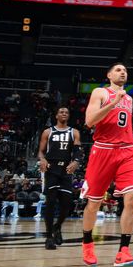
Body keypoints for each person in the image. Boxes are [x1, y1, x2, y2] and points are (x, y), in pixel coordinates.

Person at [81, 63, 133, 267]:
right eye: (118, 70)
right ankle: (87, 243)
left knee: (132, 198)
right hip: (103, 150)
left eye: (125, 71)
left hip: (127, 151)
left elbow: (121, 126)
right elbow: (90, 121)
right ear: (109, 75)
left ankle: (124, 251)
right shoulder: (100, 92)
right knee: (94, 203)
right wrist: (113, 102)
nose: (123, 72)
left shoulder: (128, 98)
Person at [38, 107, 82, 250]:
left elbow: (77, 152)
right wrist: (42, 160)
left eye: (66, 112)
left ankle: (57, 227)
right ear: (56, 115)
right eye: (61, 112)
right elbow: (40, 152)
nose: (64, 114)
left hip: (66, 170)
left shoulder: (74, 132)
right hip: (51, 169)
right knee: (50, 203)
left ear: (68, 116)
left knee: (67, 204)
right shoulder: (48, 132)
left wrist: (75, 162)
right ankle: (49, 236)